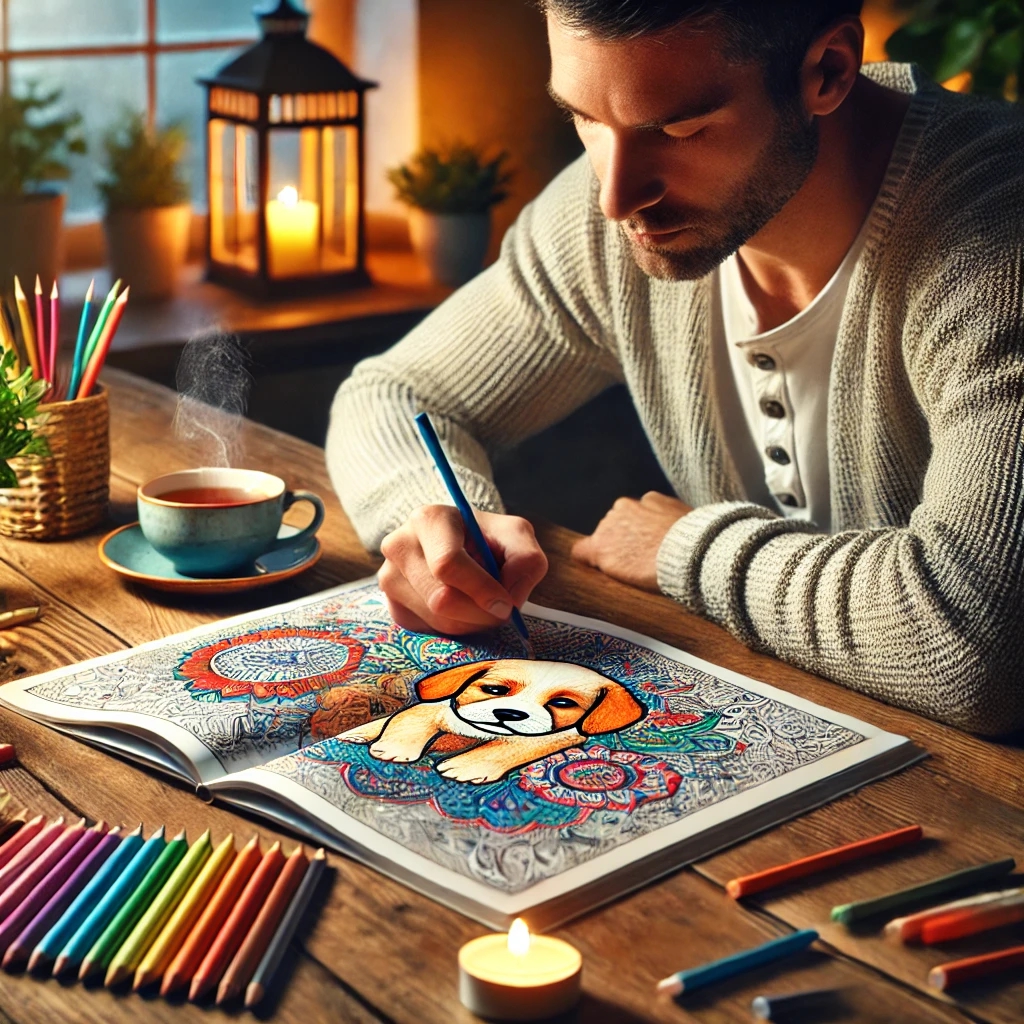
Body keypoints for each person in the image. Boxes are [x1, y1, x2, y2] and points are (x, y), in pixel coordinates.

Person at [327, 0, 1024, 735]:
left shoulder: (996, 234)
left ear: (828, 70)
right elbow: (395, 394)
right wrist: (440, 525)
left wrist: (687, 549)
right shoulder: (606, 223)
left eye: (678, 129)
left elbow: (977, 647)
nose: (616, 196)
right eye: (585, 119)